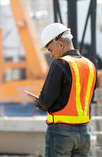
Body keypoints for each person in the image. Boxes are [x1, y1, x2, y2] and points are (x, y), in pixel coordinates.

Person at [30, 23, 97, 157]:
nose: (51, 55)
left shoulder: (60, 64)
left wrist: (38, 102)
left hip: (61, 133)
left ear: (60, 45)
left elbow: (45, 103)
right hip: (84, 133)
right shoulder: (90, 66)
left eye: (50, 49)